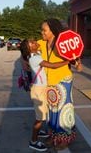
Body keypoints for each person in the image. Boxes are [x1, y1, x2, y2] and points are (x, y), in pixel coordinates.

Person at [38, 18, 82, 148]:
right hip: (49, 83)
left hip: (63, 81)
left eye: (44, 30)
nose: (42, 32)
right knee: (52, 111)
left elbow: (75, 59)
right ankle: (54, 136)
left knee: (63, 110)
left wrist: (78, 64)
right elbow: (28, 49)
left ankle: (65, 138)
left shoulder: (62, 44)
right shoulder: (40, 43)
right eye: (41, 30)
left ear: (53, 30)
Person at [19, 39, 70, 152]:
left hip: (40, 88)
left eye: (32, 40)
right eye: (31, 43)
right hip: (39, 90)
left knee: (43, 114)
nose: (34, 42)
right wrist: (67, 61)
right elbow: (52, 65)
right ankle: (33, 141)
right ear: (28, 49)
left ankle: (39, 132)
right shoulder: (35, 58)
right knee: (39, 119)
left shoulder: (36, 54)